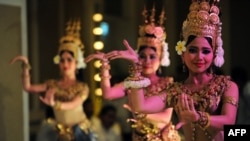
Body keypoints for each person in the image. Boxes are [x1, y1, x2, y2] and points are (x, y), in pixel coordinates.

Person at [115, 1, 239, 141]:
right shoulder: (176, 91)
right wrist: (136, 67)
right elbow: (141, 106)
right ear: (182, 53)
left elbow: (230, 123)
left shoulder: (226, 86)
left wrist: (198, 117)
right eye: (192, 50)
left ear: (214, 54)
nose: (199, 57)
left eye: (206, 51)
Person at [85, 5, 180, 141]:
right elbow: (108, 93)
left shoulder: (168, 83)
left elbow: (165, 118)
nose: (147, 61)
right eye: (142, 56)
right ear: (136, 57)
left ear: (160, 59)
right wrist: (105, 65)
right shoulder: (132, 83)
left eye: (152, 56)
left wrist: (139, 112)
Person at [10, 19, 96, 141]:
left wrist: (55, 104)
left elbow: (73, 104)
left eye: (69, 59)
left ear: (77, 63)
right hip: (60, 132)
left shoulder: (82, 87)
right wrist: (25, 66)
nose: (65, 63)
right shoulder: (53, 84)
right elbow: (28, 87)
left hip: (80, 133)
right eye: (62, 60)